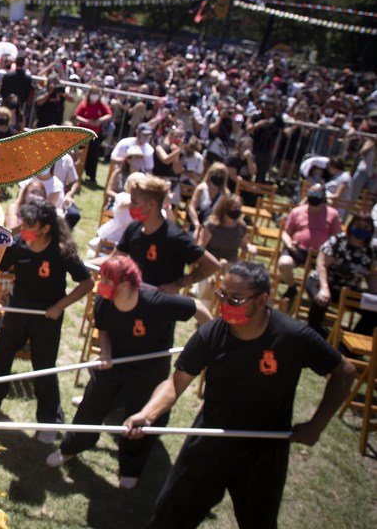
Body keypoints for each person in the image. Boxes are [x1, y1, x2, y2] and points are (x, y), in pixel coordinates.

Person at [124, 262, 356, 529]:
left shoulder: (291, 335)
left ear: (261, 301)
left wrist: (317, 425)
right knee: (169, 517)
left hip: (264, 447)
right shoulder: (211, 333)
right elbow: (176, 383)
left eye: (234, 299)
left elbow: (345, 372)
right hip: (210, 438)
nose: (224, 304)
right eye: (222, 295)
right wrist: (147, 414)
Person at [46, 257, 212, 490]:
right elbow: (103, 329)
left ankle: (131, 467)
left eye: (105, 279)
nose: (100, 283)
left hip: (149, 369)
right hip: (114, 362)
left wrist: (211, 341)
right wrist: (105, 352)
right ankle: (70, 448)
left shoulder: (156, 302)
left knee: (137, 418)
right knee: (91, 405)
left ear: (124, 285)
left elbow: (197, 308)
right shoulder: (104, 301)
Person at [0, 200, 94, 443]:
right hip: (17, 310)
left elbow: (87, 284)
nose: (23, 229)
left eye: (29, 225)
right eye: (23, 223)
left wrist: (60, 307)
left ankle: (50, 420)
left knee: (45, 367)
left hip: (47, 318)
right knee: (2, 356)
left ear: (45, 229)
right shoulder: (19, 245)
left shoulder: (61, 250)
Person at [114, 175, 220, 294]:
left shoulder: (174, 237)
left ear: (151, 204)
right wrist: (89, 265)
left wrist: (177, 285)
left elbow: (212, 265)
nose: (130, 206)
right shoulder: (134, 228)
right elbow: (114, 258)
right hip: (133, 297)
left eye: (134, 202)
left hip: (160, 304)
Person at [306, 212, 377, 337]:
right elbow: (322, 265)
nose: (361, 229)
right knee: (321, 301)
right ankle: (314, 334)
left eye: (366, 227)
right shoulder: (337, 241)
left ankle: (350, 346)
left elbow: (370, 275)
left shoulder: (371, 249)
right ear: (352, 225)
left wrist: (374, 295)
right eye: (358, 225)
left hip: (349, 289)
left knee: (374, 311)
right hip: (324, 282)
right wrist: (324, 288)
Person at [277, 183, 342, 302]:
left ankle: (316, 296)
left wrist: (327, 250)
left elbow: (336, 237)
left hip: (321, 254)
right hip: (297, 249)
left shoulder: (332, 214)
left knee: (322, 275)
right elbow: (285, 232)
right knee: (283, 264)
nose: (314, 195)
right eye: (312, 192)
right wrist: (289, 244)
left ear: (323, 196)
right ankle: (292, 288)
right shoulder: (297, 211)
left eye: (318, 193)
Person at [72, 84, 112, 184]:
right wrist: (86, 121)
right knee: (80, 155)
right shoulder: (83, 104)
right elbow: (76, 115)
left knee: (93, 156)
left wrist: (99, 120)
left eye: (96, 93)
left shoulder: (101, 105)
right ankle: (77, 174)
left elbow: (109, 114)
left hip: (94, 135)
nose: (94, 95)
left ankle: (91, 176)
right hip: (82, 134)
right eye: (93, 93)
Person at [187, 162, 230, 232]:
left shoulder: (225, 194)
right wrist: (196, 223)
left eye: (221, 174)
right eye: (217, 173)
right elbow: (192, 207)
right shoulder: (201, 188)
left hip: (215, 228)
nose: (218, 176)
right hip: (200, 224)